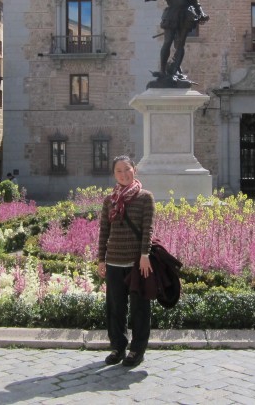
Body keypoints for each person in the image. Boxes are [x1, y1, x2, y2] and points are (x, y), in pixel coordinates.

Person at [97, 155, 154, 368]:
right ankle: (118, 347)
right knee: (115, 308)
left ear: (134, 170)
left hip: (136, 263)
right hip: (113, 261)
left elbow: (148, 228)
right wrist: (101, 259)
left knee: (140, 308)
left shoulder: (145, 197)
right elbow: (104, 231)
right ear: (114, 174)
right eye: (118, 170)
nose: (123, 174)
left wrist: (145, 254)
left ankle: (137, 350)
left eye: (127, 169)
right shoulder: (109, 200)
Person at [144, 0, 209, 84]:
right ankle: (163, 71)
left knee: (180, 45)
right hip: (172, 15)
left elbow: (196, 2)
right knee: (168, 42)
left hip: (186, 16)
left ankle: (175, 68)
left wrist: (202, 14)